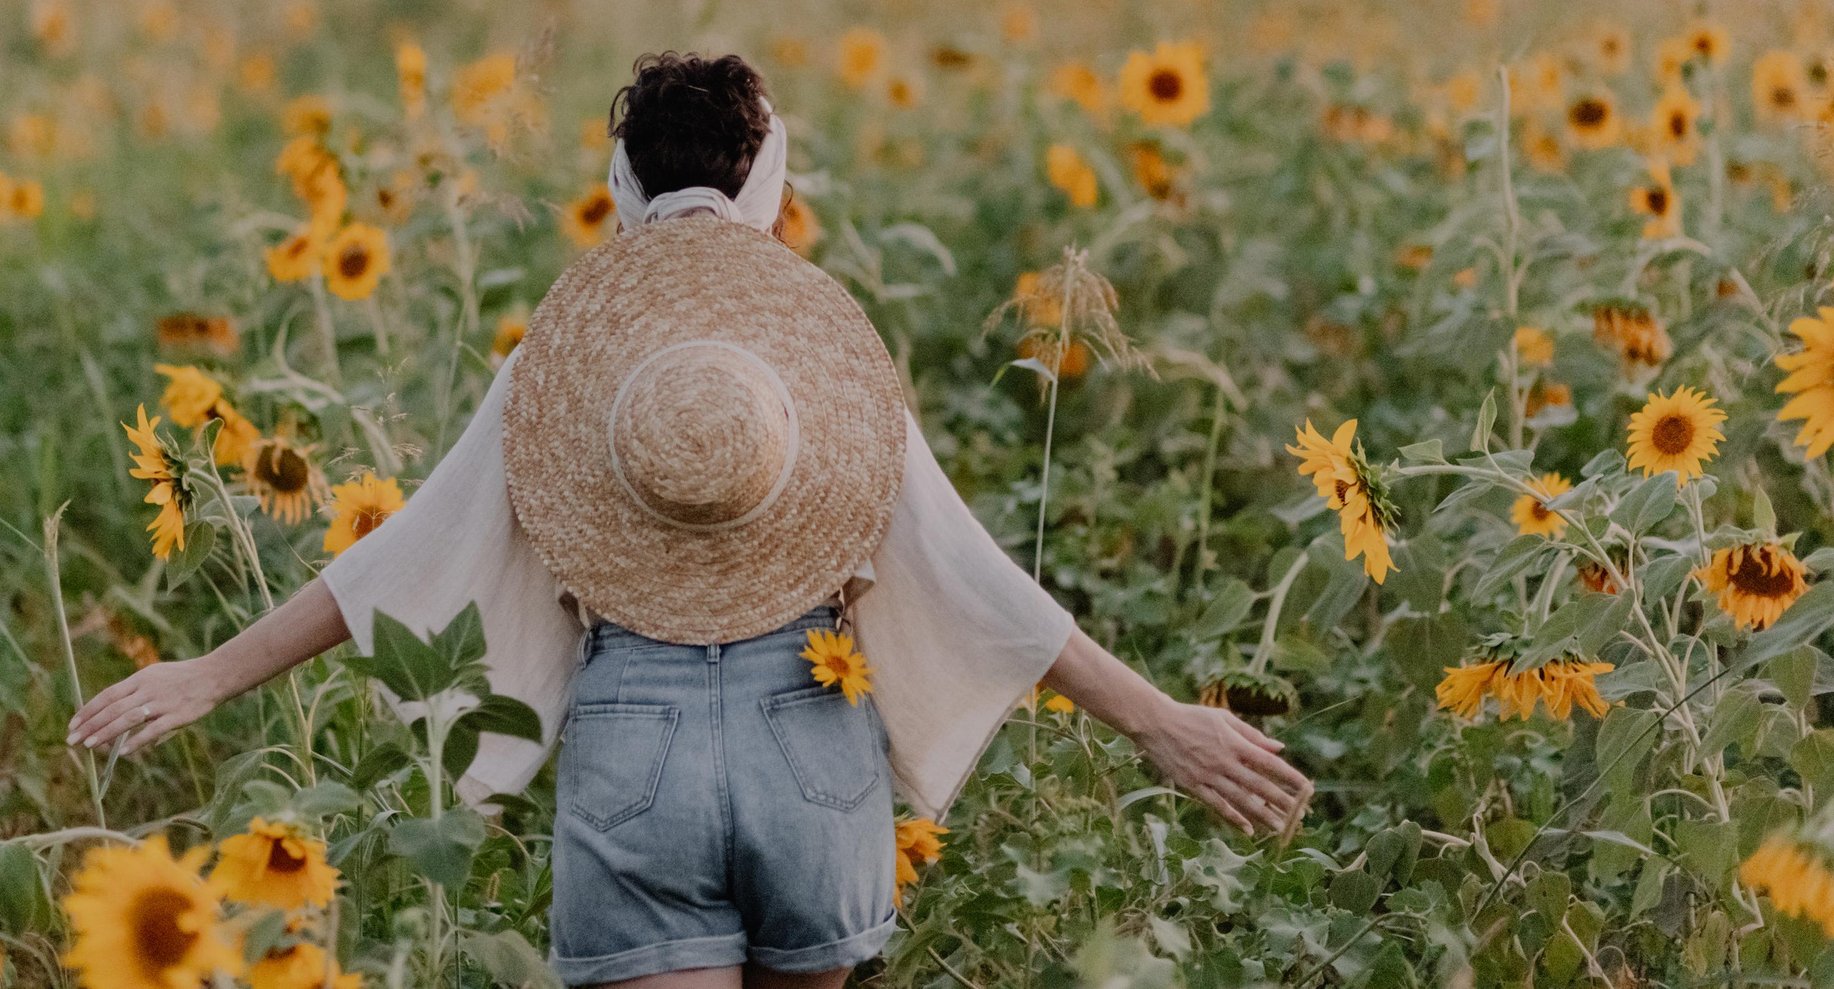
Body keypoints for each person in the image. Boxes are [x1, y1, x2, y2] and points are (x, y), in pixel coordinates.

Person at [71, 52, 1311, 988]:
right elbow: (965, 569)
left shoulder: (560, 363)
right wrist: (1156, 721)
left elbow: (401, 555)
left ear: (620, 185)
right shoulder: (819, 363)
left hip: (633, 744)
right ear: (771, 183)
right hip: (810, 739)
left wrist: (211, 672)